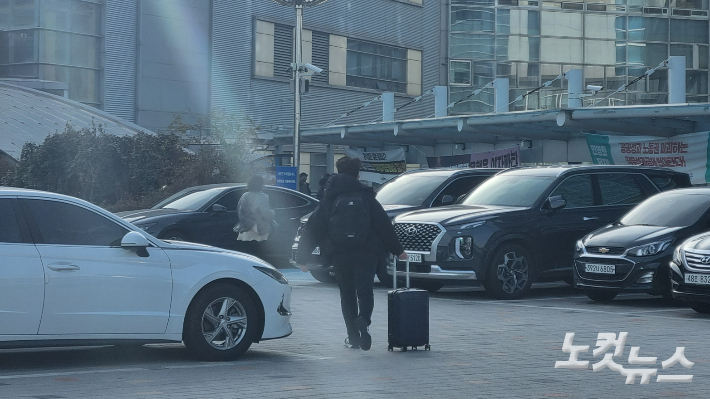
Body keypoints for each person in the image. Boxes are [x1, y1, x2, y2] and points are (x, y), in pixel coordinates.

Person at [297, 157, 407, 351]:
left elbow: (312, 228)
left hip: (339, 253)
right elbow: (383, 226)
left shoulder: (329, 198)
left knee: (346, 294)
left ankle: (353, 337)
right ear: (358, 175)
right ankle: (363, 319)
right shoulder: (366, 196)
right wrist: (398, 251)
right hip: (366, 253)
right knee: (365, 291)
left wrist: (303, 257)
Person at [234, 175, 275, 255]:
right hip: (261, 228)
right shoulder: (264, 197)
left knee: (247, 253)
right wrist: (272, 213)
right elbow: (265, 213)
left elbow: (240, 211)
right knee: (260, 253)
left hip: (247, 228)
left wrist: (248, 222)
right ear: (261, 185)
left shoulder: (245, 195)